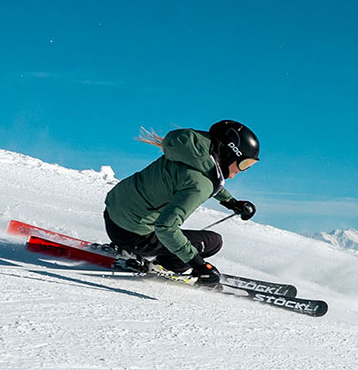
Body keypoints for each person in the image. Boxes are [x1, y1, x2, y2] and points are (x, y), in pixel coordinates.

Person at [102, 120, 260, 285]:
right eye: (244, 164)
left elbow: (192, 179)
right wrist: (199, 264)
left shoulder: (192, 151)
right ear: (228, 153)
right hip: (134, 236)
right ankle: (165, 266)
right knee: (214, 242)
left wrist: (231, 202)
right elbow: (166, 228)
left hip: (113, 215)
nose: (242, 171)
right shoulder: (201, 183)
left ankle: (129, 248)